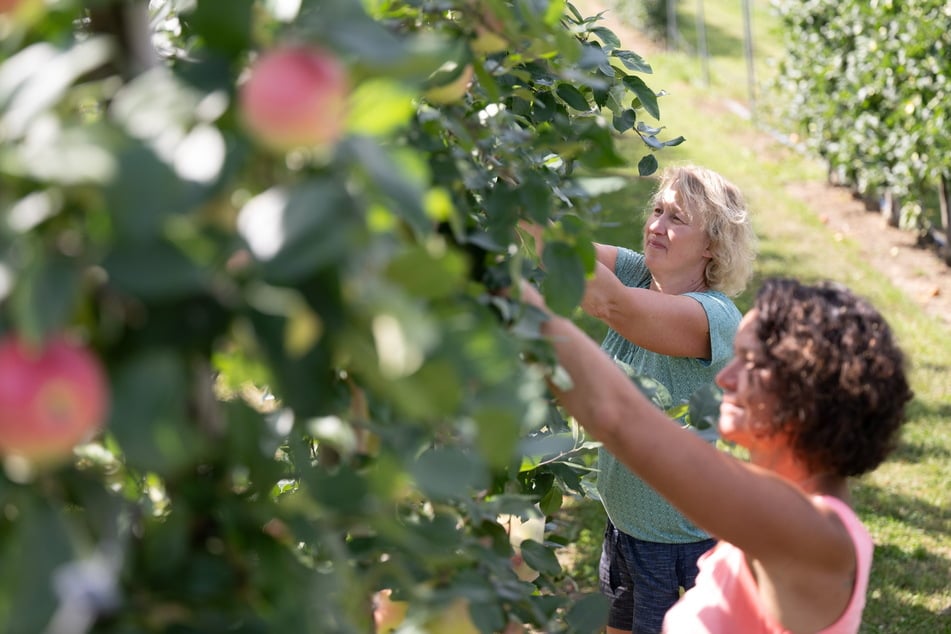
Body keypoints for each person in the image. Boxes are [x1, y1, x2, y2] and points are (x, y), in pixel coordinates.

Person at [518, 277, 912, 633]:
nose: (725, 378)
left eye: (752, 363)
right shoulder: (780, 515)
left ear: (813, 390)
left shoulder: (812, 535)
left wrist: (510, 296)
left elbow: (619, 418)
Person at [522, 164, 756, 634]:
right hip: (627, 528)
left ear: (712, 245)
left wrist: (518, 299)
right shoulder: (638, 272)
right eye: (657, 210)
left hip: (681, 546)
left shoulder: (713, 317)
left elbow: (613, 306)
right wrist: (512, 201)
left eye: (676, 218)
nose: (656, 225)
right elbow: (565, 253)